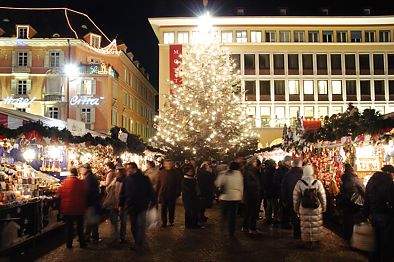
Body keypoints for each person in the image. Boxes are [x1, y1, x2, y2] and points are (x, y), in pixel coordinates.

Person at [119, 162, 156, 249]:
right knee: (136, 225)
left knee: (138, 225)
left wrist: (153, 202)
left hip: (138, 206)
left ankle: (139, 242)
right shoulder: (128, 180)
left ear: (133, 168)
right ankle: (138, 241)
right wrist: (121, 204)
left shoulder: (142, 179)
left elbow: (150, 191)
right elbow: (123, 194)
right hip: (135, 206)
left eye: (129, 169)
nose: (127, 171)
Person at [363, 165, 394, 262]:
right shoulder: (389, 184)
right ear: (389, 173)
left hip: (373, 216)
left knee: (377, 241)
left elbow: (366, 199)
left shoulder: (371, 182)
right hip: (385, 217)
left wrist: (365, 214)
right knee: (386, 244)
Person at [293, 165, 327, 248]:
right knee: (316, 224)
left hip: (304, 207)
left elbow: (296, 198)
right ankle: (316, 241)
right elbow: (322, 196)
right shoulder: (317, 182)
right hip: (316, 208)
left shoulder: (299, 183)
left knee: (306, 225)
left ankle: (308, 242)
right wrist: (324, 206)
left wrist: (296, 208)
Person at [57, 168, 87, 249]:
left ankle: (69, 244)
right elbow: (85, 193)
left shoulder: (64, 182)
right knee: (80, 227)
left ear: (70, 173)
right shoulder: (81, 182)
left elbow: (58, 194)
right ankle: (82, 243)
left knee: (69, 227)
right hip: (79, 208)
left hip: (68, 209)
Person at [338, 163, 365, 242]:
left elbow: (342, 191)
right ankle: (353, 239)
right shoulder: (355, 179)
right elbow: (363, 190)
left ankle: (346, 238)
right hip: (354, 203)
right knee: (353, 221)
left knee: (346, 221)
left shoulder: (343, 179)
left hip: (346, 203)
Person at [215, 162, 244, 237]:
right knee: (232, 216)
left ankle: (221, 228)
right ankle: (231, 232)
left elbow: (217, 183)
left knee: (223, 214)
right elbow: (241, 187)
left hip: (225, 197)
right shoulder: (239, 174)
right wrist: (241, 196)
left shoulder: (223, 173)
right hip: (235, 197)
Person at [281, 158, 303, 239]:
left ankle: (296, 234)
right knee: (302, 216)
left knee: (294, 216)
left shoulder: (288, 174)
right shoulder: (303, 174)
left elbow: (283, 188)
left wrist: (284, 199)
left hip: (291, 198)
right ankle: (301, 233)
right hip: (301, 198)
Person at [157, 159, 182, 227]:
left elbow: (179, 183)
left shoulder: (176, 173)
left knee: (171, 208)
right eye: (167, 163)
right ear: (164, 164)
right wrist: (157, 192)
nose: (168, 165)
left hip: (172, 193)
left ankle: (171, 221)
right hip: (163, 193)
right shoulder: (161, 172)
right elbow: (158, 183)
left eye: (170, 163)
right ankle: (164, 222)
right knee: (163, 208)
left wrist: (178, 191)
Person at [81, 163, 101, 242]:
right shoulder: (91, 177)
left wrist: (85, 201)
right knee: (93, 220)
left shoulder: (89, 178)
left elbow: (88, 192)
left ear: (86, 169)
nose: (81, 171)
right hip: (94, 202)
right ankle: (94, 235)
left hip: (90, 203)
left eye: (82, 169)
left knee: (89, 220)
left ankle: (87, 236)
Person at [242, 158, 261, 234]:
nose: (256, 162)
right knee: (253, 211)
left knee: (248, 211)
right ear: (252, 162)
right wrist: (257, 185)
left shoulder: (249, 170)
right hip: (252, 193)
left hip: (250, 193)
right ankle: (252, 228)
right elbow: (249, 182)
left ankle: (245, 226)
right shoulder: (251, 171)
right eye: (255, 161)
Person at [182, 165, 200, 229]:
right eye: (190, 171)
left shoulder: (191, 179)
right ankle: (192, 224)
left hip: (190, 198)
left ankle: (189, 224)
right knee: (190, 211)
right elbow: (190, 190)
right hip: (189, 198)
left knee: (190, 211)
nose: (192, 172)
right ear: (187, 172)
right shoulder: (186, 180)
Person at [276, 156, 292, 229]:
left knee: (284, 208)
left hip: (282, 191)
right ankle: (284, 223)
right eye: (289, 161)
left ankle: (284, 222)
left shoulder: (282, 169)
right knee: (285, 208)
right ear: (286, 161)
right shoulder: (284, 170)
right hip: (284, 192)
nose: (290, 162)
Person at [261, 159, 279, 224]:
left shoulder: (266, 171)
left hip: (268, 191)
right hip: (273, 191)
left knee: (269, 205)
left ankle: (268, 218)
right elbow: (275, 181)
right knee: (274, 205)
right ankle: (275, 218)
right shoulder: (274, 171)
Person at [116, 167, 128, 243]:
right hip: (121, 203)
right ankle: (121, 236)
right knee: (123, 221)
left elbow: (121, 194)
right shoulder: (126, 181)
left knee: (122, 221)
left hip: (121, 203)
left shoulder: (122, 181)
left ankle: (120, 236)